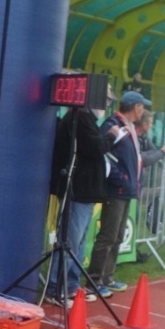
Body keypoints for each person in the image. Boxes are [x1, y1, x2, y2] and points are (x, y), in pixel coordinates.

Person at [44, 98, 111, 307]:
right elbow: (95, 147)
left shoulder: (85, 119)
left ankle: (71, 286)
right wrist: (111, 136)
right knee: (70, 241)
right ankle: (56, 288)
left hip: (85, 192)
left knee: (79, 242)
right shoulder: (79, 118)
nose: (106, 105)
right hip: (77, 190)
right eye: (106, 100)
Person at [86, 90, 146, 296]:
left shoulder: (129, 127)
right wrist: (122, 179)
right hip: (116, 189)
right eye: (142, 106)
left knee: (118, 236)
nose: (143, 111)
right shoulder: (113, 124)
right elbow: (104, 156)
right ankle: (94, 280)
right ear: (136, 107)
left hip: (126, 190)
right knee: (108, 235)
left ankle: (107, 276)